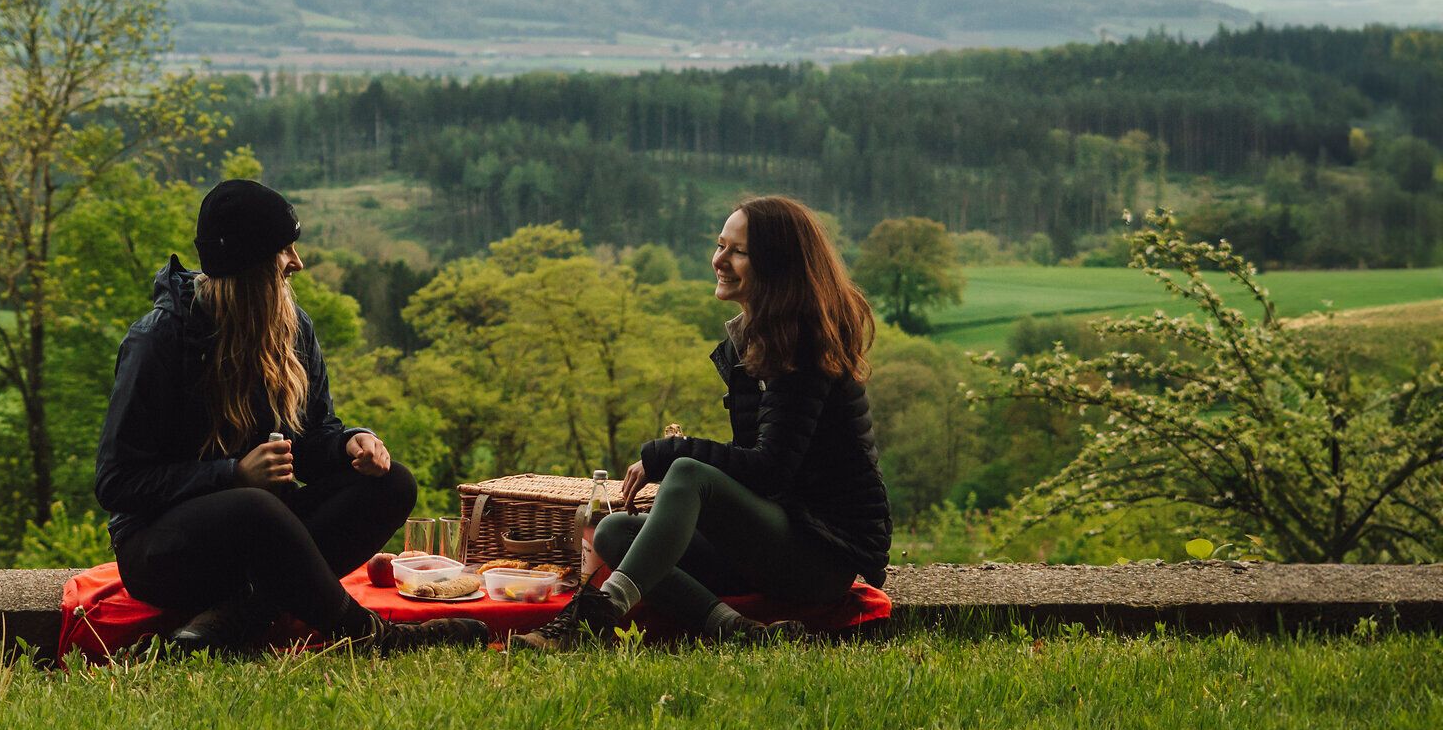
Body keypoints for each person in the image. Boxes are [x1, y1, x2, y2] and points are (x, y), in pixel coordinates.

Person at [96, 178, 486, 652]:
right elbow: (117, 482)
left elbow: (311, 437)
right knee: (254, 503)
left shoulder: (293, 326)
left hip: (263, 541)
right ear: (251, 264)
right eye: (285, 251)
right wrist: (232, 474)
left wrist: (349, 444)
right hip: (164, 553)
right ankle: (367, 636)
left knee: (392, 483)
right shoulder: (158, 341)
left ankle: (236, 617)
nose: (297, 263)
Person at [510, 196, 891, 651]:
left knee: (688, 472)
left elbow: (769, 469)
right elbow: (755, 474)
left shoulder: (805, 347)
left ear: (777, 264)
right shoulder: (757, 341)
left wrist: (670, 453)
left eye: (738, 251)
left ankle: (594, 616)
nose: (719, 260)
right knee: (614, 533)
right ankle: (735, 630)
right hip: (776, 542)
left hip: (819, 558)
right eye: (719, 245)